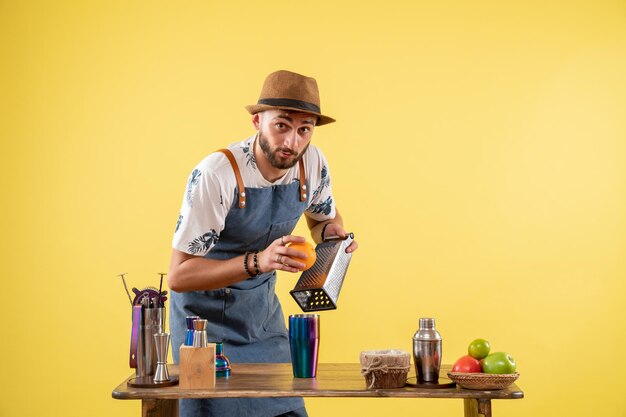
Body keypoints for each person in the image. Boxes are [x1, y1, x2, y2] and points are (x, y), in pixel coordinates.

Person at [168, 70, 358, 417]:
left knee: (285, 409)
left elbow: (323, 219)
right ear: (257, 121)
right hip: (203, 333)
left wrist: (332, 239)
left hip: (262, 322)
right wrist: (259, 261)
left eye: (304, 129)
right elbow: (179, 276)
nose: (292, 142)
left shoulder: (312, 164)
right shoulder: (217, 174)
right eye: (281, 125)